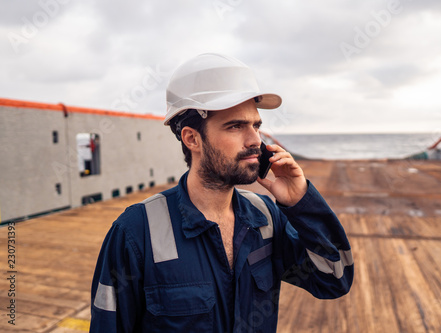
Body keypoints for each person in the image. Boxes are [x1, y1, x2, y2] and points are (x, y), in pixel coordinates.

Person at [90, 53, 353, 332]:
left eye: (256, 126)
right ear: (192, 138)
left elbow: (333, 278)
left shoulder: (265, 217)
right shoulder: (136, 232)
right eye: (236, 126)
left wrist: (301, 204)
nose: (255, 141)